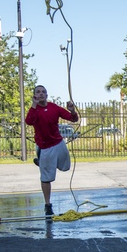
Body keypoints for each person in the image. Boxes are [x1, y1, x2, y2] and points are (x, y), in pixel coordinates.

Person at [25, 85, 79, 217]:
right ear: (35, 95)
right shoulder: (34, 110)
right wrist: (34, 104)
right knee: (47, 178)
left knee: (65, 167)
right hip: (45, 147)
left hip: (58, 143)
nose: (41, 94)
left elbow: (74, 119)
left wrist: (72, 111)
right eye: (38, 92)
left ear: (47, 95)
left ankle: (43, 163)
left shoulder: (54, 107)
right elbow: (29, 121)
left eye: (43, 92)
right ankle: (48, 205)